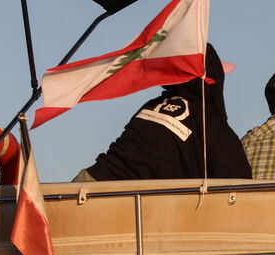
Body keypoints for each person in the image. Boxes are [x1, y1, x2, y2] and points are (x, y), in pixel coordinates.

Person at [77, 44, 252, 181]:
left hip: (85, 186)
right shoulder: (212, 125)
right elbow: (239, 186)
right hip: (120, 208)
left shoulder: (152, 106)